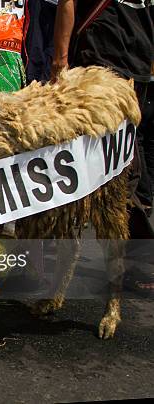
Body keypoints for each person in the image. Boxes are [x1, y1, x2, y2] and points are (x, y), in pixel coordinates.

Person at [51, 0, 154, 291]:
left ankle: (135, 258)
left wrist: (59, 59)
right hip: (138, 60)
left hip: (104, 59)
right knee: (129, 155)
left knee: (116, 164)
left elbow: (67, 2)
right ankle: (136, 258)